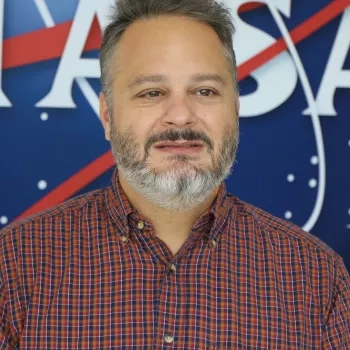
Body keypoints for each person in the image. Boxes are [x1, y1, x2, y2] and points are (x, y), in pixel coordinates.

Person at [0, 0, 349, 348]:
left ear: (236, 109)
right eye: (152, 92)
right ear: (108, 114)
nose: (181, 117)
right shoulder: (15, 265)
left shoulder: (316, 276)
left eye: (204, 91)